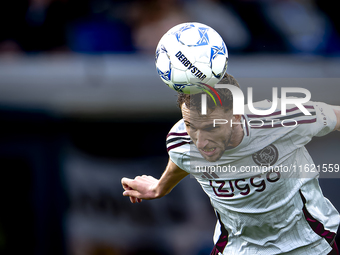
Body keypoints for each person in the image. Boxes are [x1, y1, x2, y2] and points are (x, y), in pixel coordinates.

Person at [121, 74, 340, 255]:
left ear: (236, 115)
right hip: (236, 249)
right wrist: (161, 187)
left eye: (211, 127)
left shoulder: (285, 119)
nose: (200, 142)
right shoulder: (180, 142)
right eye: (190, 126)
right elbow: (181, 159)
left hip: (309, 245)